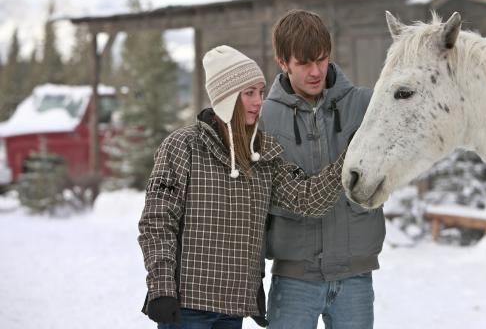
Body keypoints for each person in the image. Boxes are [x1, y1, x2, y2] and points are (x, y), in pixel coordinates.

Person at [138, 45, 345, 329]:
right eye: (249, 93)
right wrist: (161, 287)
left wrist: (348, 163)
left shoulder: (264, 153)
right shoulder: (183, 146)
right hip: (186, 306)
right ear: (226, 98)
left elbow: (305, 199)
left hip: (233, 308)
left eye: (260, 92)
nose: (259, 101)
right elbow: (157, 222)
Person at [260, 9, 385, 329]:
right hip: (294, 280)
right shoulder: (264, 120)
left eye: (322, 59)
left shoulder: (366, 105)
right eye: (303, 63)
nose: (316, 71)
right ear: (282, 62)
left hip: (354, 276)